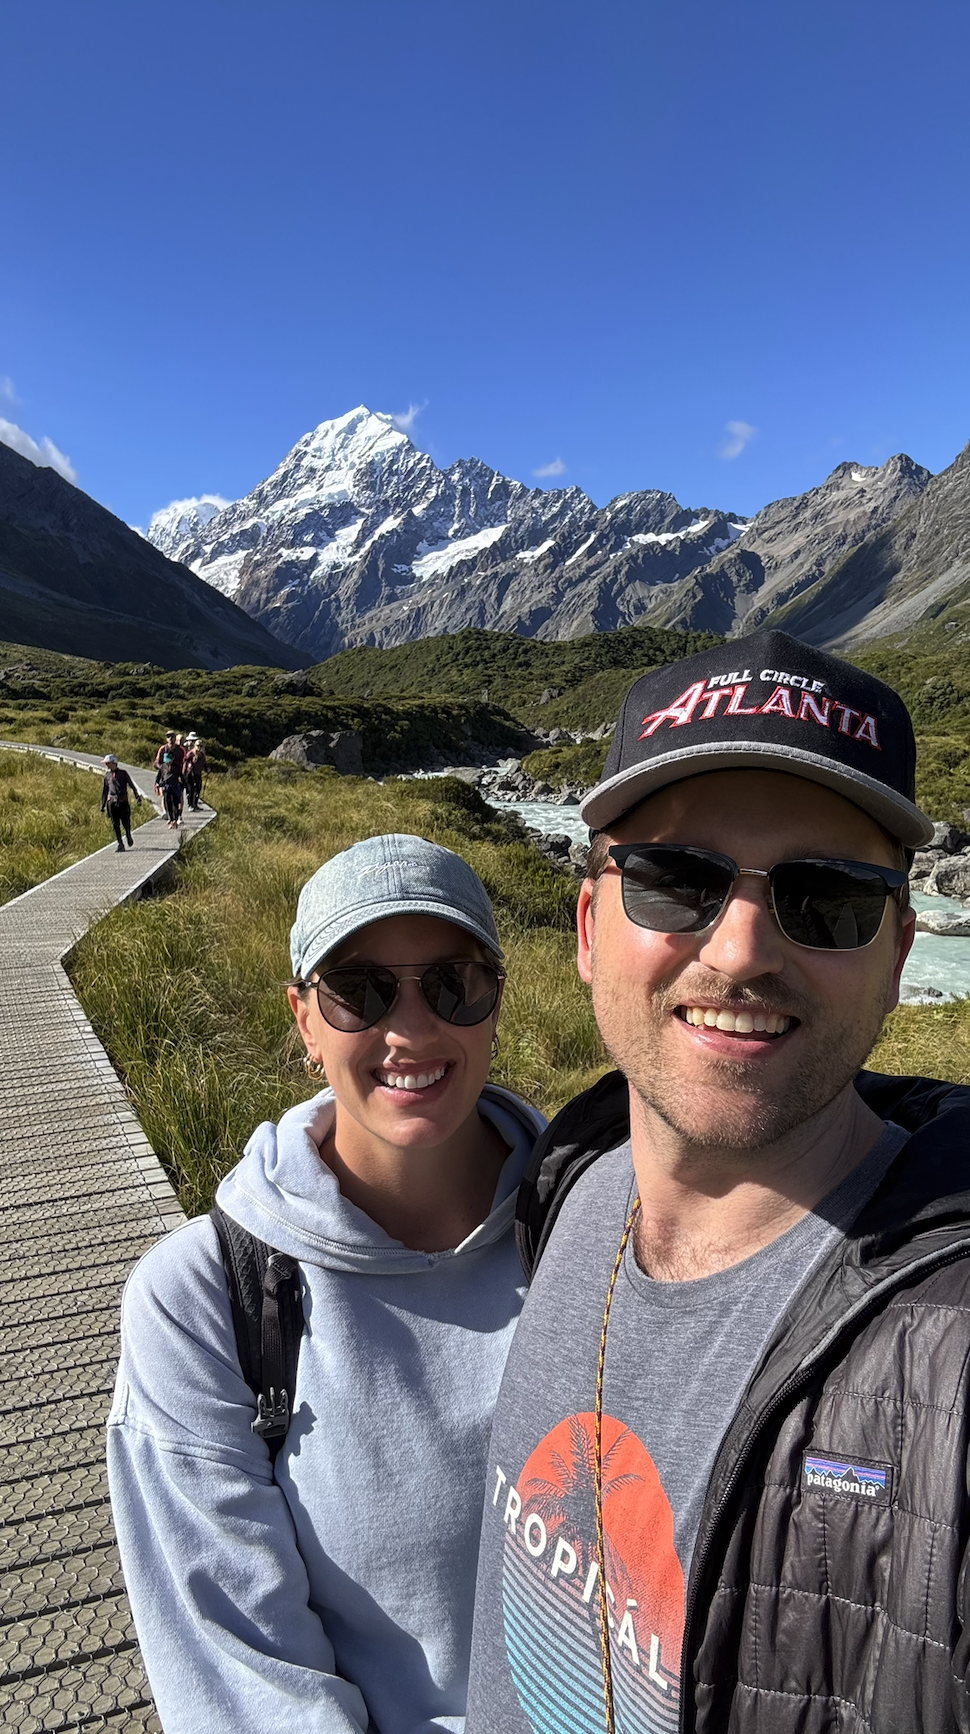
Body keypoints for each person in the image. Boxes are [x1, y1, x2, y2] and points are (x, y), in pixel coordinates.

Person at [467, 629, 970, 1734]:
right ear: (591, 926)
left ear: (898, 950)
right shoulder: (571, 1184)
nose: (740, 949)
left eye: (826, 896)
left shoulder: (950, 1357)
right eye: (675, 880)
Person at [107, 833, 546, 1734]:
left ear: (496, 1002)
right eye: (359, 991)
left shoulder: (606, 1227)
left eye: (454, 984)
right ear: (305, 1020)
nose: (413, 1029)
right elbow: (241, 1672)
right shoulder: (203, 1300)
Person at [100, 752, 142, 851]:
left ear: (114, 763)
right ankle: (120, 844)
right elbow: (105, 791)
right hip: (112, 803)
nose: (106, 765)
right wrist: (103, 805)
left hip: (123, 801)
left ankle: (128, 834)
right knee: (115, 824)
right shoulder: (107, 775)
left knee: (126, 822)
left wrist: (137, 797)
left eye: (108, 763)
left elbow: (132, 785)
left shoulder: (123, 773)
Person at [154, 732, 184, 829]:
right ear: (166, 739)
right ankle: (171, 819)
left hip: (176, 779)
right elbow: (156, 763)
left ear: (175, 738)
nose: (170, 738)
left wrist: (182, 777)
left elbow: (183, 764)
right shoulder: (163, 749)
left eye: (172, 737)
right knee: (167, 801)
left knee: (176, 801)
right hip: (165, 779)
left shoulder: (180, 750)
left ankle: (175, 819)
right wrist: (163, 768)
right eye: (168, 737)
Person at [182, 732, 207, 810]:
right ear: (195, 746)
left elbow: (204, 763)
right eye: (197, 746)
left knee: (198, 789)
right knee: (191, 789)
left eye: (200, 746)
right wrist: (184, 772)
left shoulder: (202, 755)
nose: (199, 747)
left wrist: (207, 769)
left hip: (197, 773)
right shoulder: (190, 754)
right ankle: (190, 805)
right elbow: (185, 761)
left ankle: (195, 804)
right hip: (190, 774)